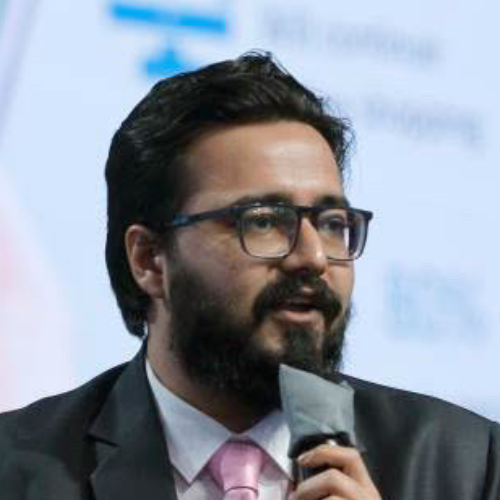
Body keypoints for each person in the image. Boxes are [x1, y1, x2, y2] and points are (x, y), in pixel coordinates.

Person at [0, 51, 498, 500]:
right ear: (149, 259)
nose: (313, 257)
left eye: (331, 223)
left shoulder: (469, 467)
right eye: (262, 221)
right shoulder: (17, 470)